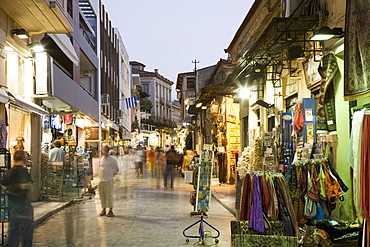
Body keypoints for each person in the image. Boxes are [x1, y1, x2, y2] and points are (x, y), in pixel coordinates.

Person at [1, 151, 34, 247]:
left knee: (13, 231)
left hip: (13, 205)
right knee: (26, 232)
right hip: (24, 205)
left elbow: (3, 184)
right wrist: (23, 186)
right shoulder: (23, 171)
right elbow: (25, 185)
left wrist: (9, 190)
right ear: (24, 159)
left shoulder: (10, 171)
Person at [98, 146, 119, 217]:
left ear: (107, 151)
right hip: (101, 179)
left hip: (108, 179)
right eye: (102, 150)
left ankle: (110, 210)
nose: (103, 151)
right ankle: (103, 209)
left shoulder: (112, 159)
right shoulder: (101, 159)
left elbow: (116, 169)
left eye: (104, 150)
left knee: (109, 195)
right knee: (102, 195)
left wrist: (111, 175)